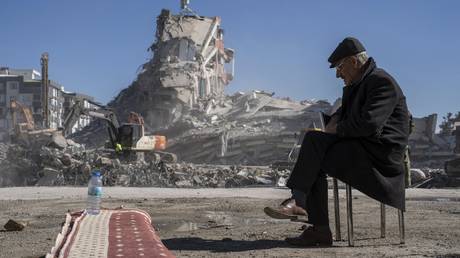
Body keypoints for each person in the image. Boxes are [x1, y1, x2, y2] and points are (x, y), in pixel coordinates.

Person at [264, 37, 410, 247]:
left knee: (314, 144)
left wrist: (337, 128)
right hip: (362, 150)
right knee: (314, 151)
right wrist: (334, 121)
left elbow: (368, 124)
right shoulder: (360, 84)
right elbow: (348, 117)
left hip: (380, 158)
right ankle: (315, 223)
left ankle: (307, 212)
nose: (337, 73)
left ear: (353, 61)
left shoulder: (381, 82)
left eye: (340, 67)